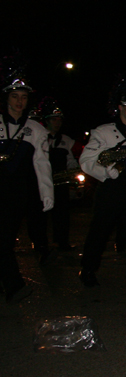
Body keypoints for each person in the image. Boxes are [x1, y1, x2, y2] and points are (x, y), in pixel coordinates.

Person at [79, 75, 126, 293]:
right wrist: (105, 172)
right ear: (119, 107)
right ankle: (88, 271)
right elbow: (86, 161)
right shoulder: (102, 132)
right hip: (110, 189)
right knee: (98, 234)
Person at [0, 63, 53, 303]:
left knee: (4, 241)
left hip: (15, 194)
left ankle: (14, 286)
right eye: (14, 96)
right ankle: (13, 285)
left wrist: (46, 193)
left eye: (23, 97)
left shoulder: (36, 130)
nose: (19, 102)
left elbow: (42, 165)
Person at [39, 97, 80, 253]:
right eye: (54, 119)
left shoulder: (66, 140)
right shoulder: (40, 138)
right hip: (43, 181)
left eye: (59, 119)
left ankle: (62, 241)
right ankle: (41, 243)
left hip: (60, 182)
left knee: (62, 215)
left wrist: (73, 170)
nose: (57, 122)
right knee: (41, 215)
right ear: (47, 121)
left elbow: (70, 160)